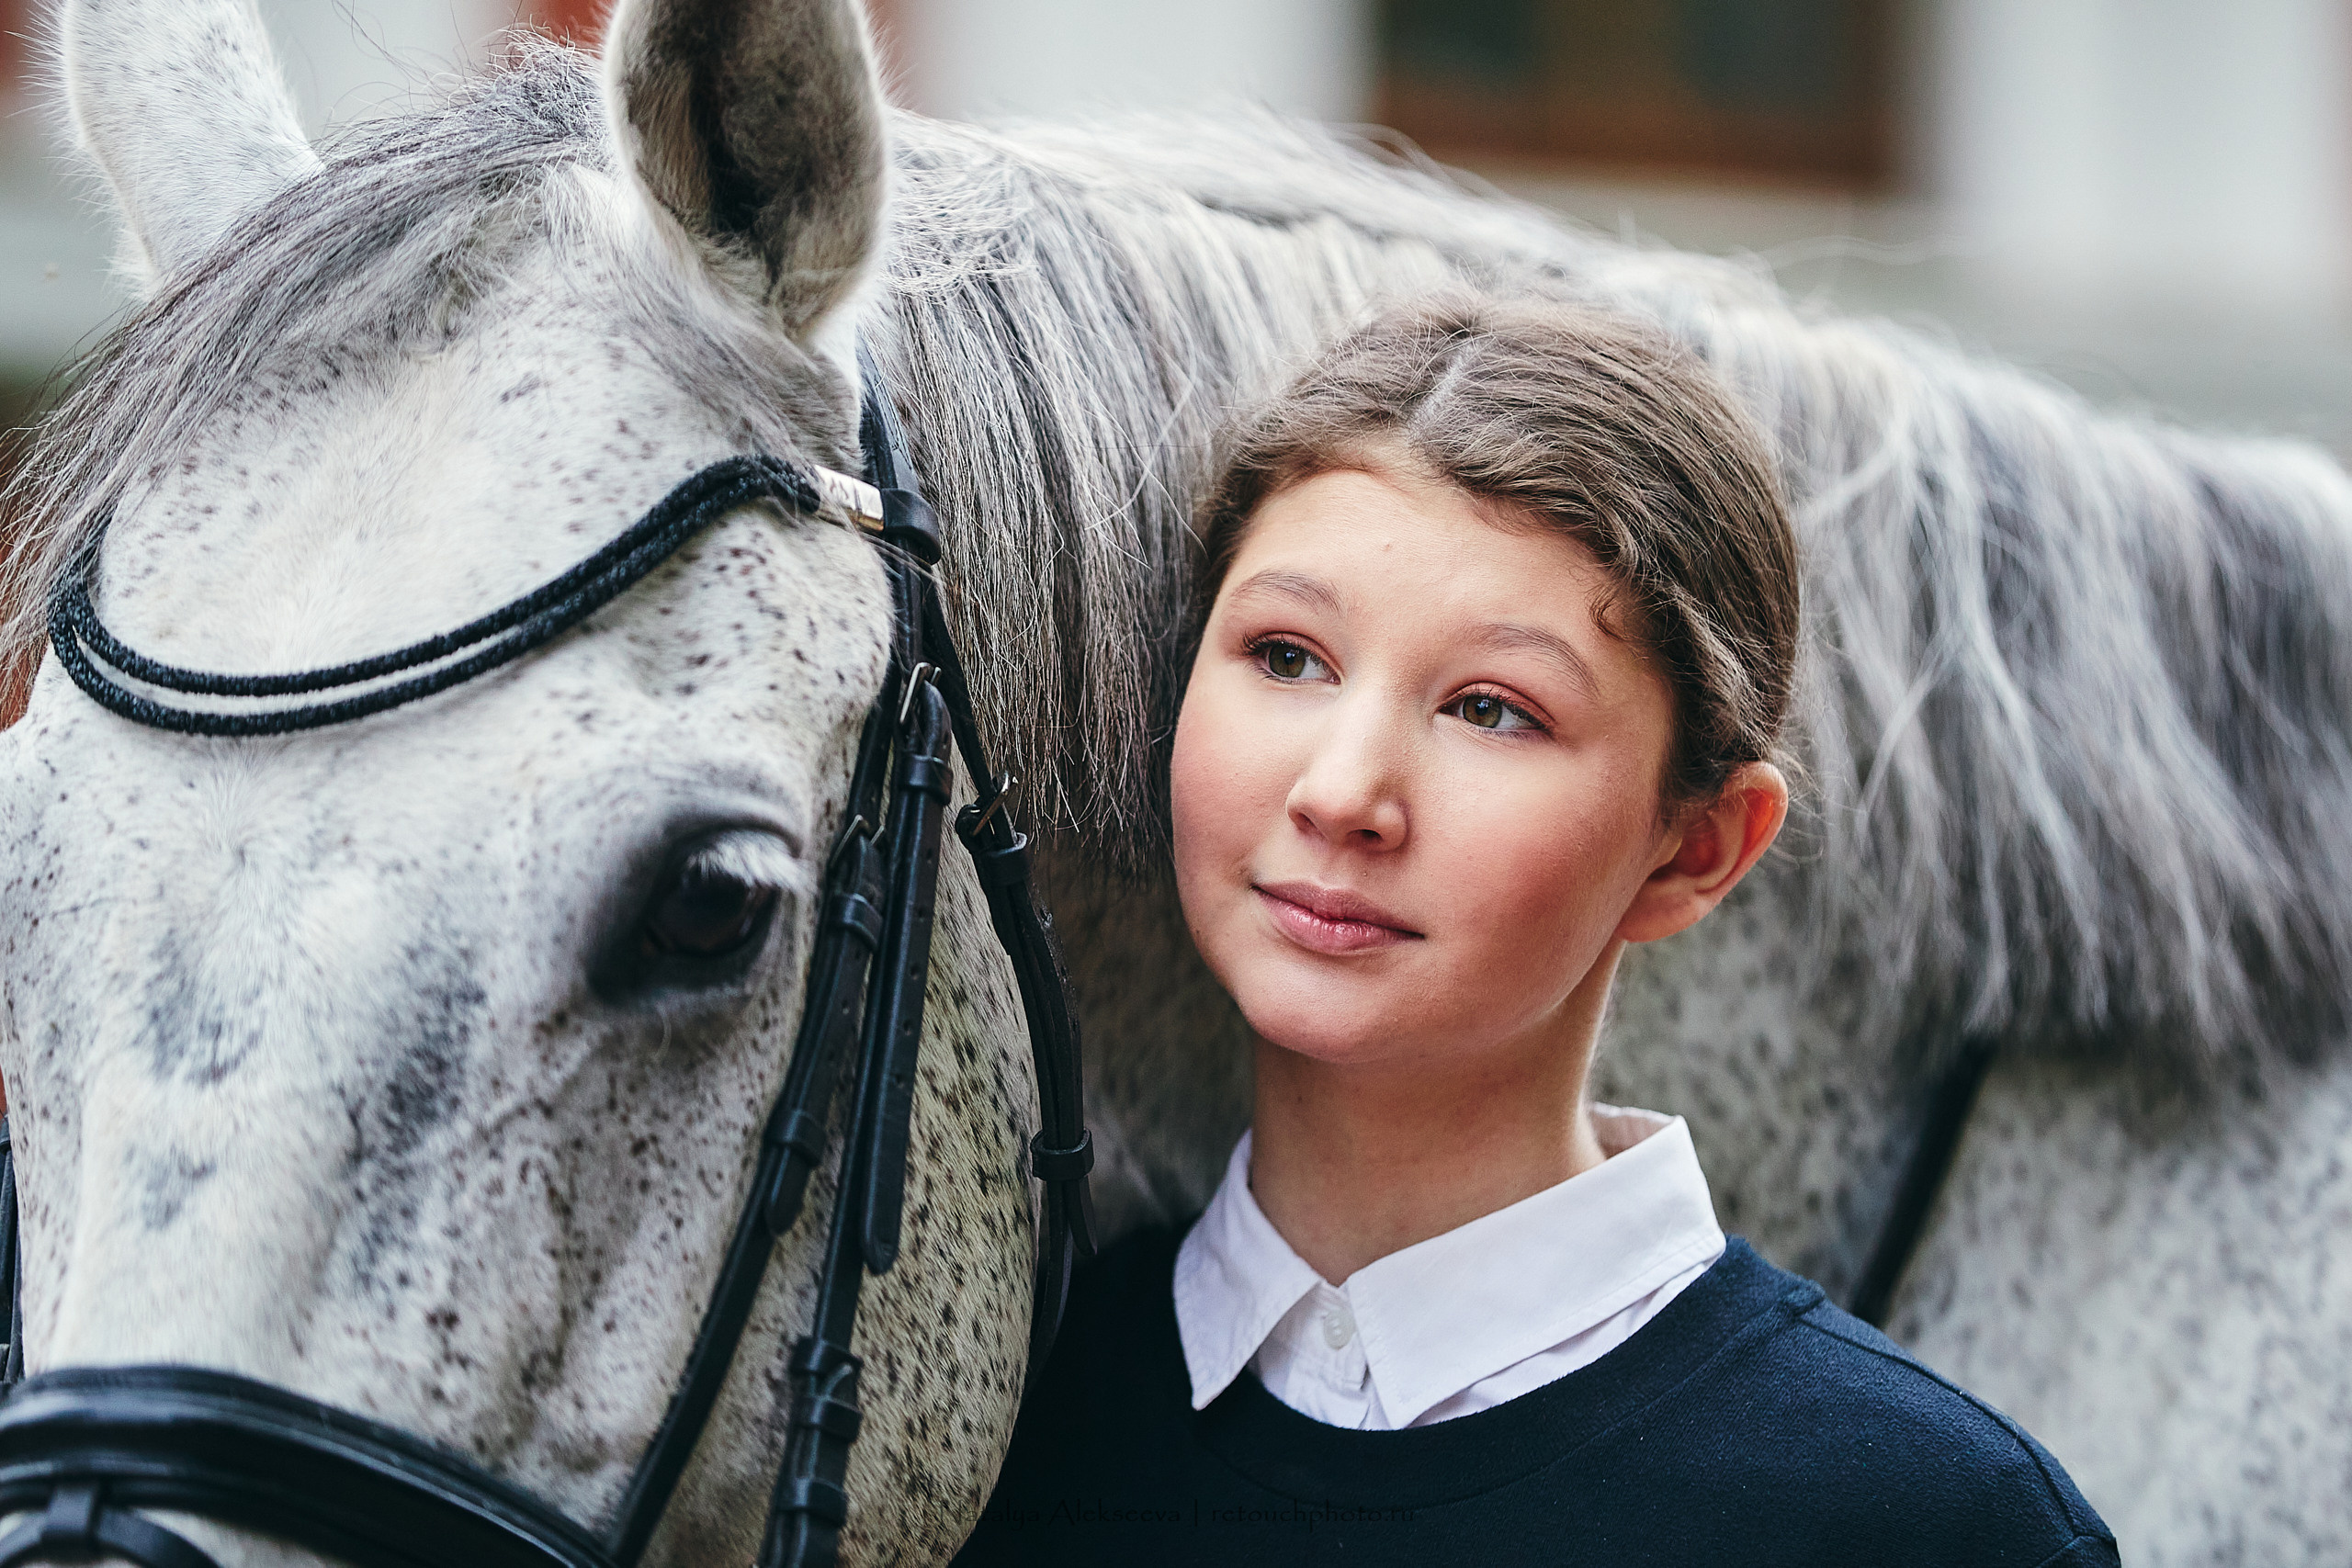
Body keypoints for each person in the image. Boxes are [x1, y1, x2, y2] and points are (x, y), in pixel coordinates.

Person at [954, 294, 2118, 1565]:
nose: (1342, 794)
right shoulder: (1000, 1414)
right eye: (1287, 657)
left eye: (1493, 710)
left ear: (1695, 848)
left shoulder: (1932, 1525)